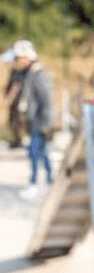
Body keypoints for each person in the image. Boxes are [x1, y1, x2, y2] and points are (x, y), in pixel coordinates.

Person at [13, 40, 54, 200]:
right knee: (43, 153)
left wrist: (47, 123)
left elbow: (47, 99)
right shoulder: (28, 73)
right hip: (33, 121)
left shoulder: (39, 74)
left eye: (19, 57)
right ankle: (50, 180)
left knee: (35, 153)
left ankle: (34, 183)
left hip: (40, 122)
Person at [5, 55, 28, 148]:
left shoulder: (17, 72)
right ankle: (16, 140)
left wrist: (10, 99)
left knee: (18, 121)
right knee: (14, 121)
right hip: (15, 102)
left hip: (18, 102)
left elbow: (16, 86)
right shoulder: (15, 72)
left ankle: (18, 140)